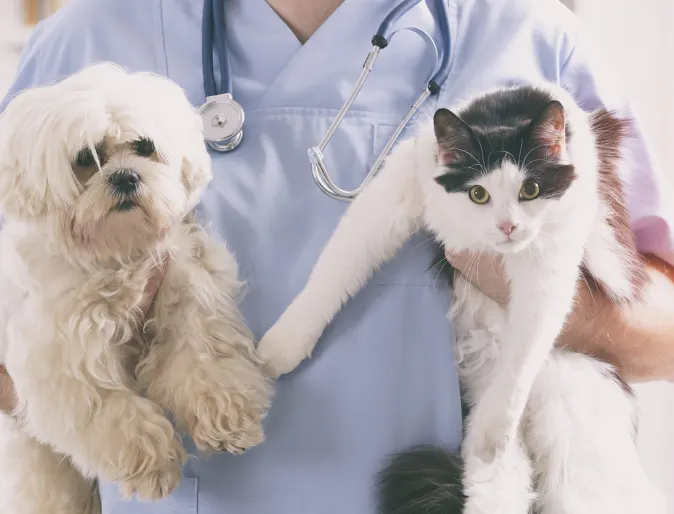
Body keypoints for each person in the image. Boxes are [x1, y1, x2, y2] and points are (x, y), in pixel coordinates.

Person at [1, 0, 674, 512]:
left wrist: (534, 290)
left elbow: (662, 336)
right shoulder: (89, 37)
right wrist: (74, 360)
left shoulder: (523, 33)